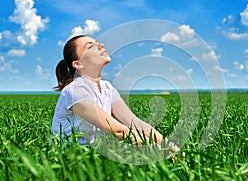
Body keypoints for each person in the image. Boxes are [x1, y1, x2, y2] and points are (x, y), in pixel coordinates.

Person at [51, 35, 179, 153]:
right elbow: (117, 130)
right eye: (90, 46)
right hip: (70, 156)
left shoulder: (107, 87)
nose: (100, 45)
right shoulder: (75, 90)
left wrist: (173, 148)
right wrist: (161, 150)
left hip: (93, 153)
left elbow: (135, 123)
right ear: (78, 64)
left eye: (97, 43)